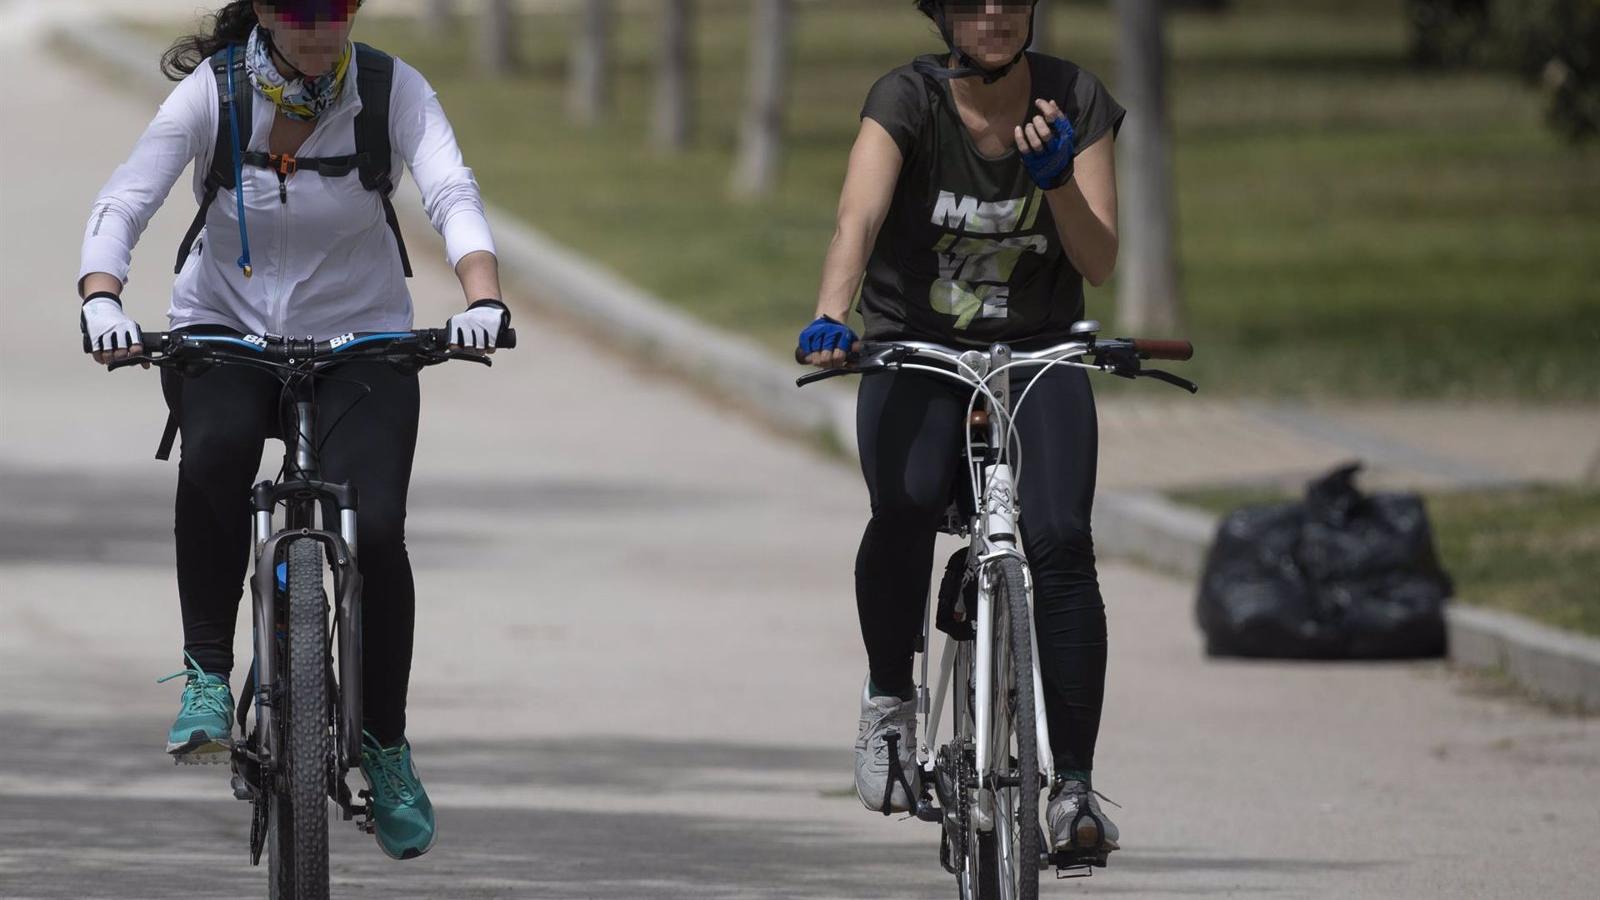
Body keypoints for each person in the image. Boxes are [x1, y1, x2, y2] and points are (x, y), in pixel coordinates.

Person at [77, 0, 508, 860]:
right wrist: (101, 296)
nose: (321, 30)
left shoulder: (391, 88)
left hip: (363, 338)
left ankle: (385, 745)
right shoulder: (217, 88)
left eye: (337, 10)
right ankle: (206, 673)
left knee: (377, 530)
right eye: (301, 12)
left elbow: (450, 186)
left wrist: (482, 296)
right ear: (267, 14)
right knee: (218, 455)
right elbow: (130, 194)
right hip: (225, 331)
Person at [796, 0, 1126, 854]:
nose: (994, 15)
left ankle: (1075, 793)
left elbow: (1097, 260)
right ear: (941, 13)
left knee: (1059, 540)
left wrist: (1056, 182)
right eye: (972, 1)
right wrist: (834, 314)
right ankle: (888, 708)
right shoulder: (906, 100)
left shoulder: (1072, 99)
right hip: (920, 342)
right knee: (904, 505)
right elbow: (856, 220)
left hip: (1038, 348)